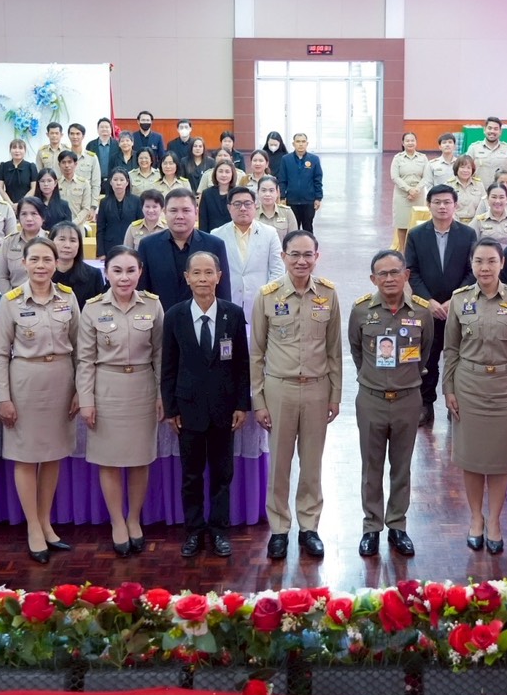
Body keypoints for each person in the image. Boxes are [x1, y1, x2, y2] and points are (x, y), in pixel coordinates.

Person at [249, 230, 341, 560]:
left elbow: (334, 349)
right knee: (279, 464)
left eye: (307, 255)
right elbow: (256, 353)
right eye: (295, 254)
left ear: (317, 257)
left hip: (317, 389)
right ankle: (279, 529)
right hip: (280, 389)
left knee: (312, 464)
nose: (301, 261)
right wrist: (258, 400)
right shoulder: (267, 295)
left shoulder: (328, 294)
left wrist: (335, 395)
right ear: (284, 257)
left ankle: (309, 527)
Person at [0, 236, 80, 563]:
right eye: (35, 260)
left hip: (61, 381)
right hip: (24, 384)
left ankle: (46, 522)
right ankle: (32, 527)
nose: (41, 266)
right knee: (26, 457)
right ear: (24, 263)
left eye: (47, 260)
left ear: (56, 263)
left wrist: (80, 390)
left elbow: (81, 347)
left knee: (53, 455)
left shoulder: (68, 297)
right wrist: (3, 398)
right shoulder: (10, 301)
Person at [158, 251, 249, 559]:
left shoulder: (232, 314)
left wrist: (242, 404)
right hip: (188, 410)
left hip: (225, 409)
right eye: (196, 273)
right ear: (187, 278)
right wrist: (171, 409)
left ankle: (219, 530)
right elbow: (168, 366)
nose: (202, 279)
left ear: (219, 277)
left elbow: (242, 364)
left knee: (223, 475)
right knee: (191, 475)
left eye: (208, 273)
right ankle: (194, 531)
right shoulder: (175, 315)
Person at [444, 238, 507, 555]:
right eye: (479, 261)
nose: (485, 267)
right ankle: (475, 519)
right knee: (471, 458)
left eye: (491, 261)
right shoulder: (459, 300)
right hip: (469, 386)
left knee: (499, 459)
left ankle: (494, 520)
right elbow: (451, 349)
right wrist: (448, 388)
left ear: (502, 263)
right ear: (471, 264)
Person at [345, 249, 433, 558]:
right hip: (371, 399)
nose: (389, 278)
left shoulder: (421, 312)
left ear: (406, 274)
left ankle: (397, 525)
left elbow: (425, 351)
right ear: (373, 279)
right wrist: (373, 377)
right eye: (382, 273)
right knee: (371, 467)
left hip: (408, 399)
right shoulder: (361, 311)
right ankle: (371, 527)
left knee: (402, 466)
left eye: (395, 272)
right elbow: (356, 350)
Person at [75, 247, 163, 557]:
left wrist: (161, 394)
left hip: (142, 388)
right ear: (106, 273)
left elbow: (160, 355)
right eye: (117, 271)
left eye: (130, 271)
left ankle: (134, 518)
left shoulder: (152, 305)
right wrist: (86, 400)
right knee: (109, 460)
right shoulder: (92, 308)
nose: (124, 278)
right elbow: (85, 360)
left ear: (140, 272)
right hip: (106, 389)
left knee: (140, 459)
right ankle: (117, 522)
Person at [404, 184, 476, 429]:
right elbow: (411, 272)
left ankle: (456, 404)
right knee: (427, 358)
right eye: (437, 202)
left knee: (459, 357)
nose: (442, 207)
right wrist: (429, 302)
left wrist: (455, 299)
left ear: (455, 205)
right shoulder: (416, 235)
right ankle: (425, 405)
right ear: (429, 205)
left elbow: (472, 271)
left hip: (459, 308)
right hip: (428, 308)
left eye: (447, 202)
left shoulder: (467, 234)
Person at [136, 189, 231, 309]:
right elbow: (142, 291)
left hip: (203, 317)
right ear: (164, 212)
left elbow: (223, 291)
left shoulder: (214, 245)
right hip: (161, 317)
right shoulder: (148, 245)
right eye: (173, 210)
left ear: (196, 213)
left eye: (186, 210)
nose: (180, 216)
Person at [213, 185, 285, 314]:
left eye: (247, 204)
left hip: (260, 301)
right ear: (229, 208)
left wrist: (267, 295)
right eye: (237, 204)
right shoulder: (217, 234)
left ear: (255, 206)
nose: (243, 208)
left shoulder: (269, 233)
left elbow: (278, 269)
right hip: (227, 302)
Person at [390, 132, 431, 245]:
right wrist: (409, 190)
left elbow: (426, 176)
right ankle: (403, 250)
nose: (410, 143)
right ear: (403, 143)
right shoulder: (397, 158)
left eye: (412, 140)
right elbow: (394, 177)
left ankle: (415, 250)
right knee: (402, 225)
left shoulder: (423, 158)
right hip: (402, 196)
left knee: (418, 225)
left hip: (418, 195)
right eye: (407, 141)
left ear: (416, 142)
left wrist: (416, 190)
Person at [278, 133, 324, 231]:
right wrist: (282, 197)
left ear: (307, 143)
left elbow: (317, 180)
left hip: (308, 201)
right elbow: (282, 180)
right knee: (293, 228)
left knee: (308, 228)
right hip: (291, 201)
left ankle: (309, 242)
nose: (301, 144)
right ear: (293, 144)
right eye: (298, 141)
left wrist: (318, 198)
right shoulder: (286, 159)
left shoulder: (314, 159)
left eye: (303, 141)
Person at [96, 168, 142, 259]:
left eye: (121, 180)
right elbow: (100, 229)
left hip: (131, 245)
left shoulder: (136, 201)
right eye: (115, 180)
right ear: (110, 182)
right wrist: (101, 253)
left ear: (127, 182)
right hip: (110, 246)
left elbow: (140, 225)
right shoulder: (104, 202)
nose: (118, 183)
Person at [3, 198, 48, 289]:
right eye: (24, 214)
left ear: (43, 217)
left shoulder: (51, 240)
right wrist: (10, 296)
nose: (29, 219)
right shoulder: (8, 242)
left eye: (34, 214)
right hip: (14, 294)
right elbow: (1, 276)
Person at [466, 117, 507, 186]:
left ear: (500, 132)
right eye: (489, 128)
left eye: (495, 129)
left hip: (501, 191)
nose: (492, 131)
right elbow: (466, 170)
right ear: (484, 130)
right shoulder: (474, 148)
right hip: (478, 190)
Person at [199, 159, 238, 232]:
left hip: (233, 234)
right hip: (211, 235)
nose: (224, 175)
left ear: (232, 174)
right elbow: (203, 221)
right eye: (220, 171)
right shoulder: (207, 194)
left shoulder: (237, 194)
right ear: (215, 173)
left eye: (227, 172)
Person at [253, 176, 295, 241]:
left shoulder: (287, 212)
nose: (267, 194)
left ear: (277, 192)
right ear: (258, 192)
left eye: (271, 190)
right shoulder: (252, 213)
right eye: (263, 190)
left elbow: (294, 239)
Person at [0, 139, 37, 205]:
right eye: (14, 147)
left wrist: (21, 204)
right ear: (10, 150)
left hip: (27, 204)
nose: (17, 151)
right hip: (8, 204)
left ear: (25, 151)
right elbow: (0, 188)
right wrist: (10, 204)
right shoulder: (3, 166)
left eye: (20, 148)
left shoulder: (31, 166)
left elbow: (34, 188)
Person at [448, 155, 486, 222]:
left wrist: (475, 222)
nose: (465, 170)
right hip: (454, 223)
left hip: (476, 222)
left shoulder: (479, 184)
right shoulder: (449, 185)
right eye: (462, 167)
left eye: (468, 168)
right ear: (457, 168)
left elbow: (484, 205)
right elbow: (447, 207)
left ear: (472, 170)